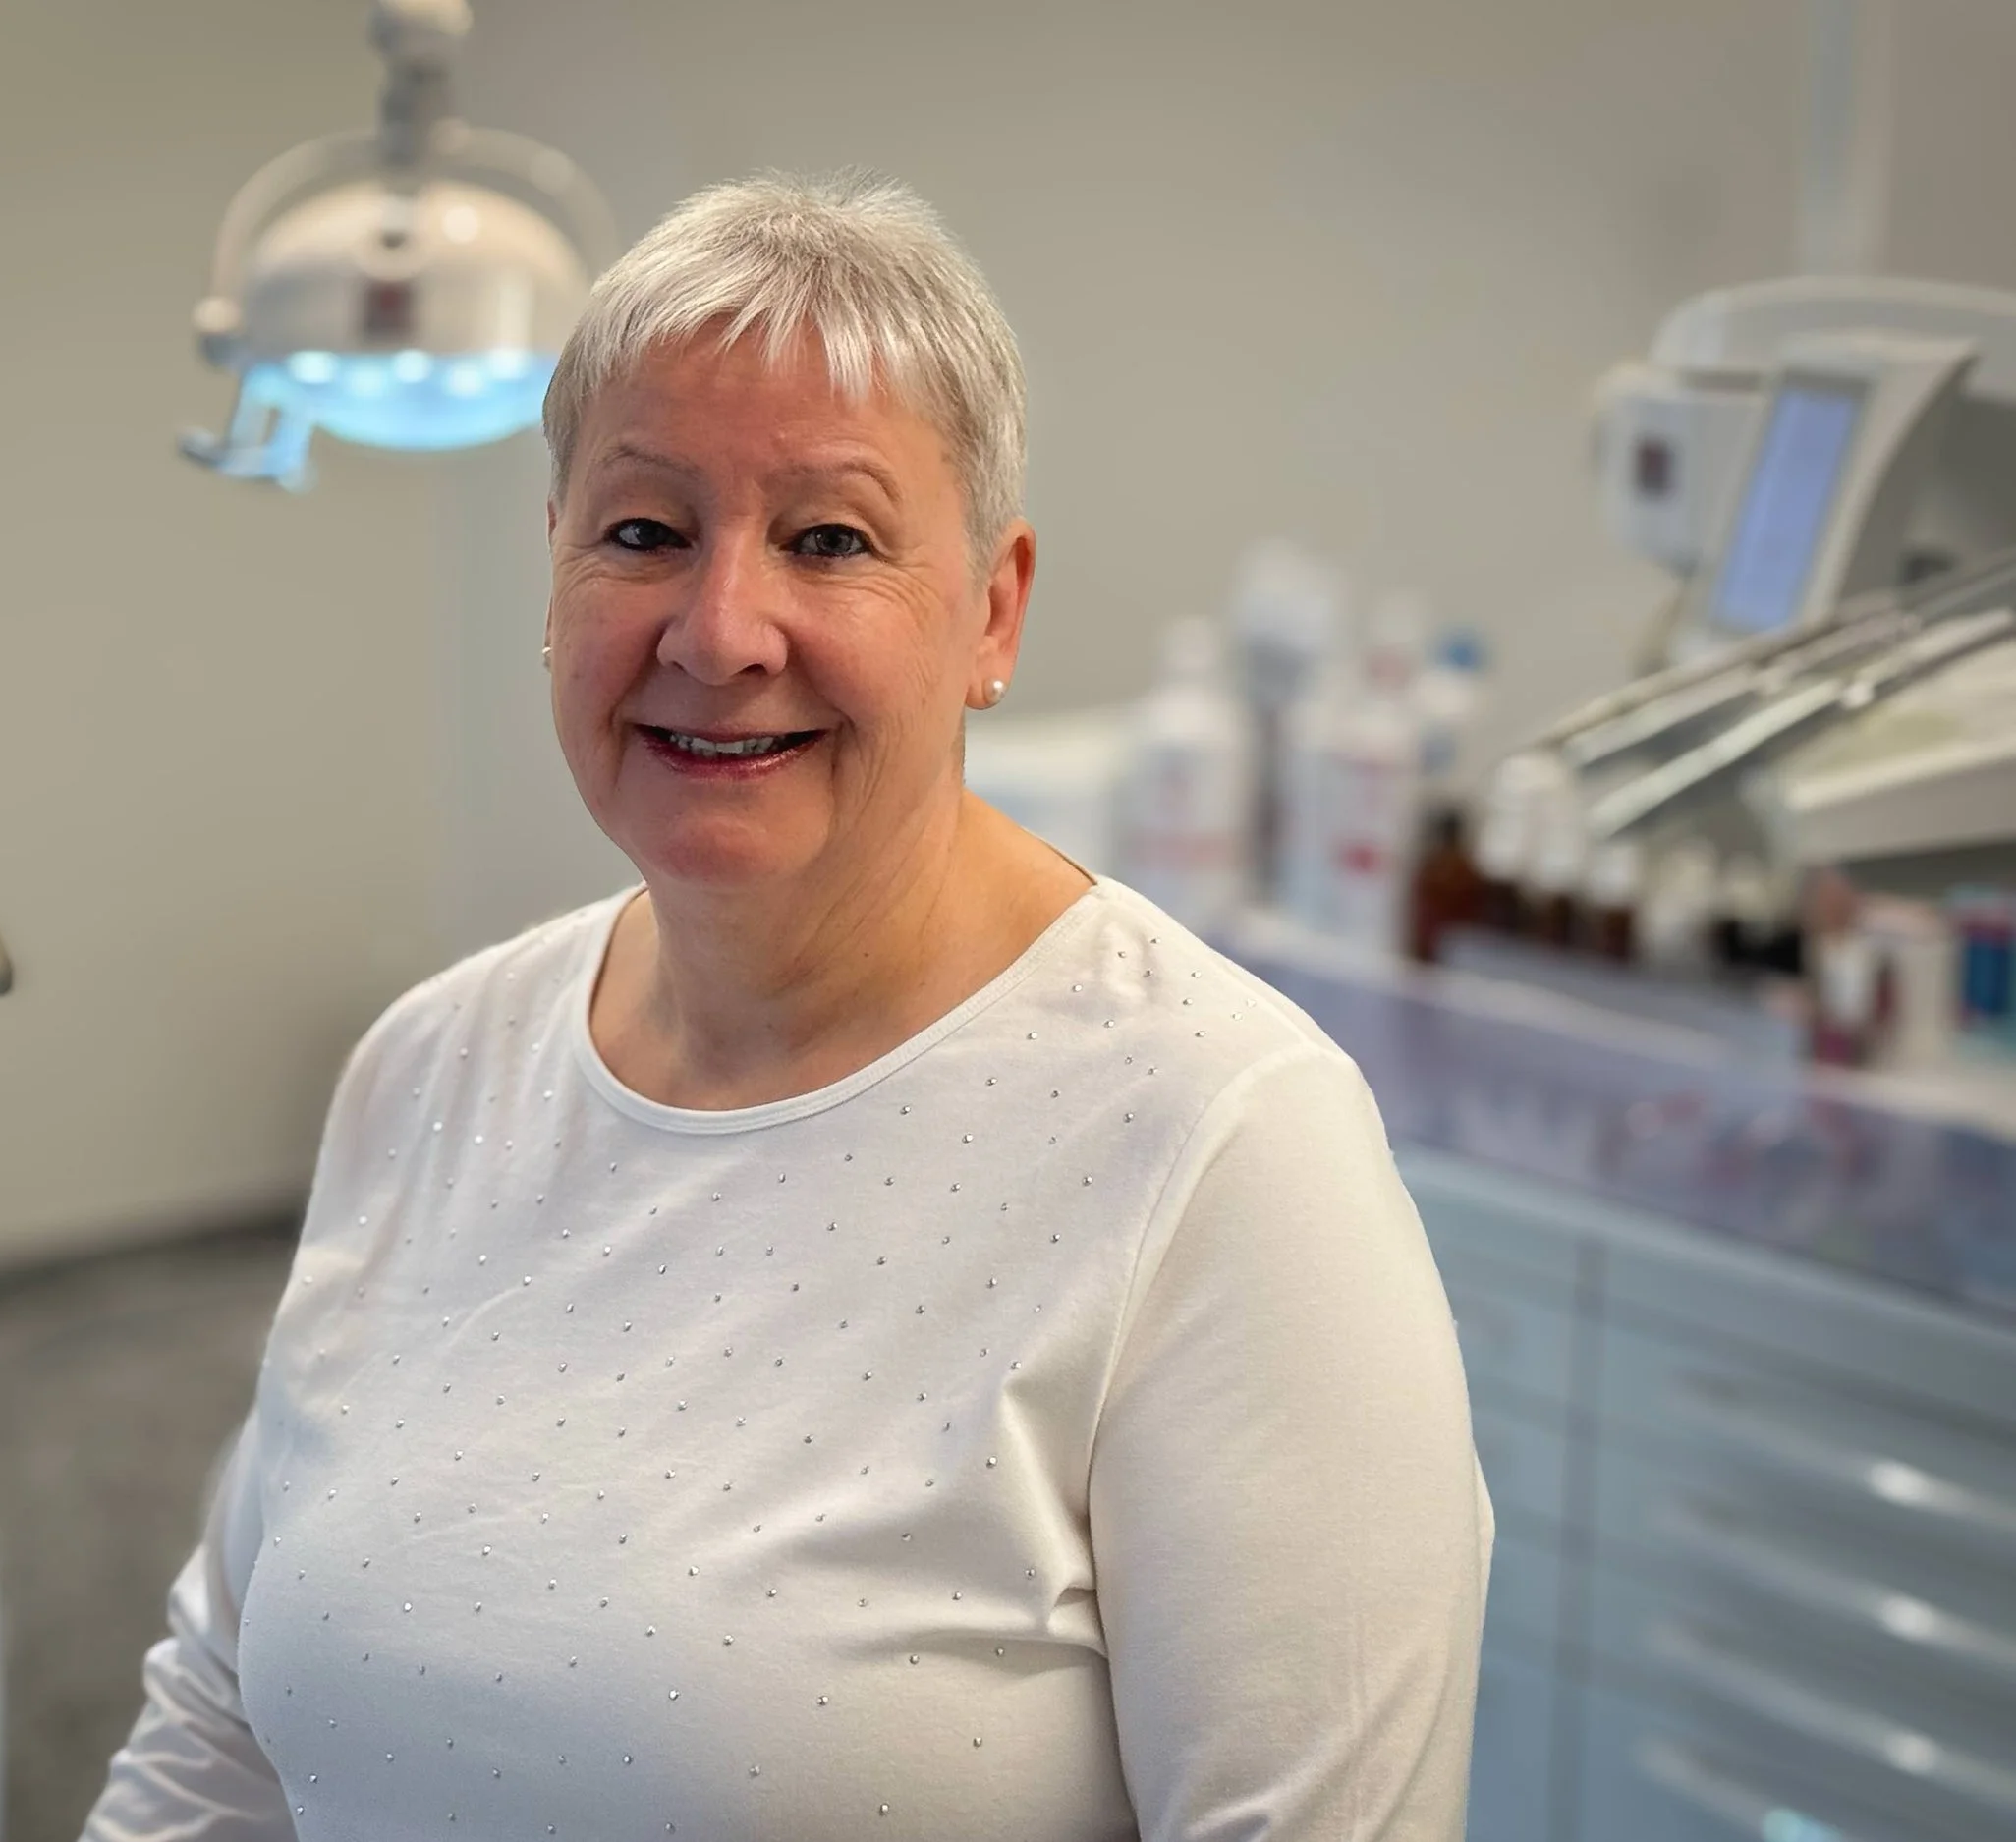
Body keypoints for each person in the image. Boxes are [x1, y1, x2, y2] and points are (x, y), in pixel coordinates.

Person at [83, 171, 1489, 1842]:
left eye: (830, 537)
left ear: (992, 611)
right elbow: (220, 1734)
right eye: (644, 531)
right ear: (554, 577)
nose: (719, 625)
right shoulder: (435, 1064)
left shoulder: (1221, 1146)